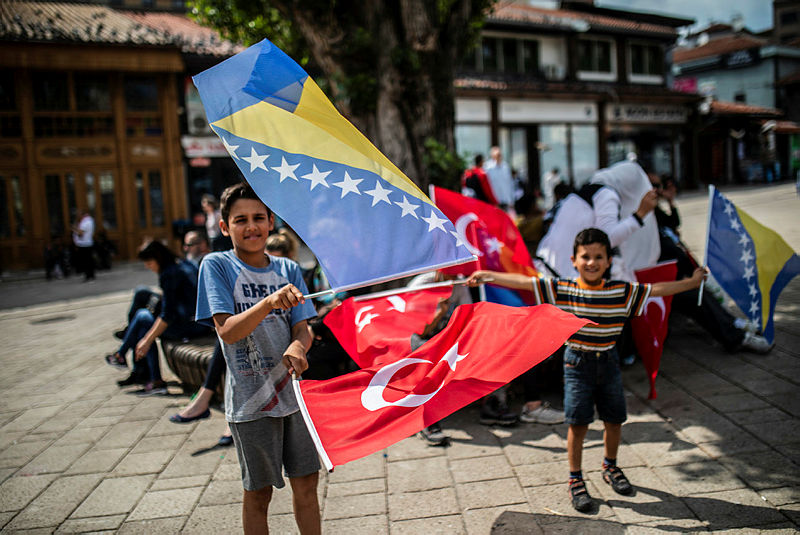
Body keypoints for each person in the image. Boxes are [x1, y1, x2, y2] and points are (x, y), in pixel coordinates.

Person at [468, 228, 706, 513]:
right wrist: (490, 276)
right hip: (576, 365)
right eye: (585, 257)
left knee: (614, 419)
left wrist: (691, 283)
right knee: (578, 424)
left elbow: (656, 289)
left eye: (598, 257)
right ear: (574, 260)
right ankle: (575, 479)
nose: (591, 262)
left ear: (607, 261)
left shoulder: (622, 292)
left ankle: (611, 466)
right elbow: (528, 282)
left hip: (609, 363)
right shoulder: (563, 289)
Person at [195, 182, 320, 534]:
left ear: (270, 223)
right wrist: (267, 302)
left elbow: (303, 328)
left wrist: (298, 345)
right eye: (240, 220)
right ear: (224, 227)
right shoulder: (216, 266)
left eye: (258, 218)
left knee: (307, 485)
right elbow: (228, 331)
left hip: (294, 398)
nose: (251, 227)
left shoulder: (289, 269)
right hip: (251, 404)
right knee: (259, 493)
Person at [647, 174, 772, 354]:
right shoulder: (639, 217)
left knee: (706, 291)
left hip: (681, 273)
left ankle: (734, 325)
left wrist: (670, 201)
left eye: (658, 186)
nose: (656, 190)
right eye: (651, 186)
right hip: (663, 281)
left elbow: (673, 223)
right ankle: (736, 337)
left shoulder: (654, 212)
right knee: (697, 297)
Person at [105, 241, 210, 394]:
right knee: (142, 293)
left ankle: (126, 355)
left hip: (190, 326)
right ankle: (136, 363)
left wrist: (147, 340)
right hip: (195, 320)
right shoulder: (181, 263)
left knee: (142, 319)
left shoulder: (169, 274)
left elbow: (168, 315)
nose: (147, 266)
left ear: (158, 258)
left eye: (148, 262)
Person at [484, 146, 516, 215]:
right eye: (497, 155)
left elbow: (510, 184)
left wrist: (511, 200)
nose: (499, 157)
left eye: (500, 155)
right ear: (492, 156)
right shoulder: (487, 167)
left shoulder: (505, 166)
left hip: (505, 200)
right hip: (494, 201)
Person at [72, 209, 95, 282]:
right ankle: (91, 275)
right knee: (89, 261)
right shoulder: (90, 220)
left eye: (78, 215)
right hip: (88, 243)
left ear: (82, 215)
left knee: (85, 261)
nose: (77, 217)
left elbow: (80, 233)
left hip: (84, 244)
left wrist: (74, 228)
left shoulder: (85, 222)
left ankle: (88, 276)